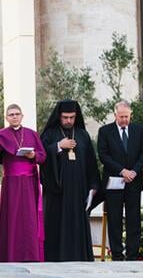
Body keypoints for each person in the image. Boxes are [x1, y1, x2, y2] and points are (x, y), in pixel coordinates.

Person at [39, 99, 99, 262]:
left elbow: (91, 163)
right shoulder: (50, 134)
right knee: (56, 225)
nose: (69, 121)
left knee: (77, 226)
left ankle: (80, 258)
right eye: (65, 117)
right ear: (59, 116)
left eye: (72, 117)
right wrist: (58, 146)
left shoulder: (82, 135)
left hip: (78, 191)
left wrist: (93, 187)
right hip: (57, 192)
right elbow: (41, 156)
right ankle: (55, 259)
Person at [0, 104, 46, 262]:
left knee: (30, 220)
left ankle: (31, 255)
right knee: (12, 219)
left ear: (22, 116)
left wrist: (33, 155)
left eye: (17, 114)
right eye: (11, 114)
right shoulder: (1, 134)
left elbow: (43, 156)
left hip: (29, 182)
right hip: (11, 184)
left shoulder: (32, 134)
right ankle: (12, 255)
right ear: (6, 118)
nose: (14, 116)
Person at [96, 101, 143, 261]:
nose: (124, 119)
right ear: (115, 115)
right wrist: (122, 171)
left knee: (134, 219)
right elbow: (103, 155)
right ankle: (117, 255)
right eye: (121, 116)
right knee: (114, 219)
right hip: (114, 182)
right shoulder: (105, 131)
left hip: (133, 181)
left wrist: (134, 171)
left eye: (127, 116)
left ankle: (133, 254)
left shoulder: (138, 130)